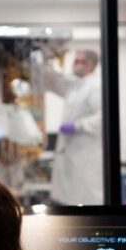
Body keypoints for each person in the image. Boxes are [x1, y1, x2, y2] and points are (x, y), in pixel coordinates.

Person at [42, 49, 104, 205]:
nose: (74, 65)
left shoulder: (95, 86)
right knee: (68, 198)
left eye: (77, 61)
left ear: (88, 64)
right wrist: (45, 59)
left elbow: (103, 117)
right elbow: (54, 81)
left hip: (85, 156)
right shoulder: (76, 85)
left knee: (87, 199)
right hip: (70, 155)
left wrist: (77, 126)